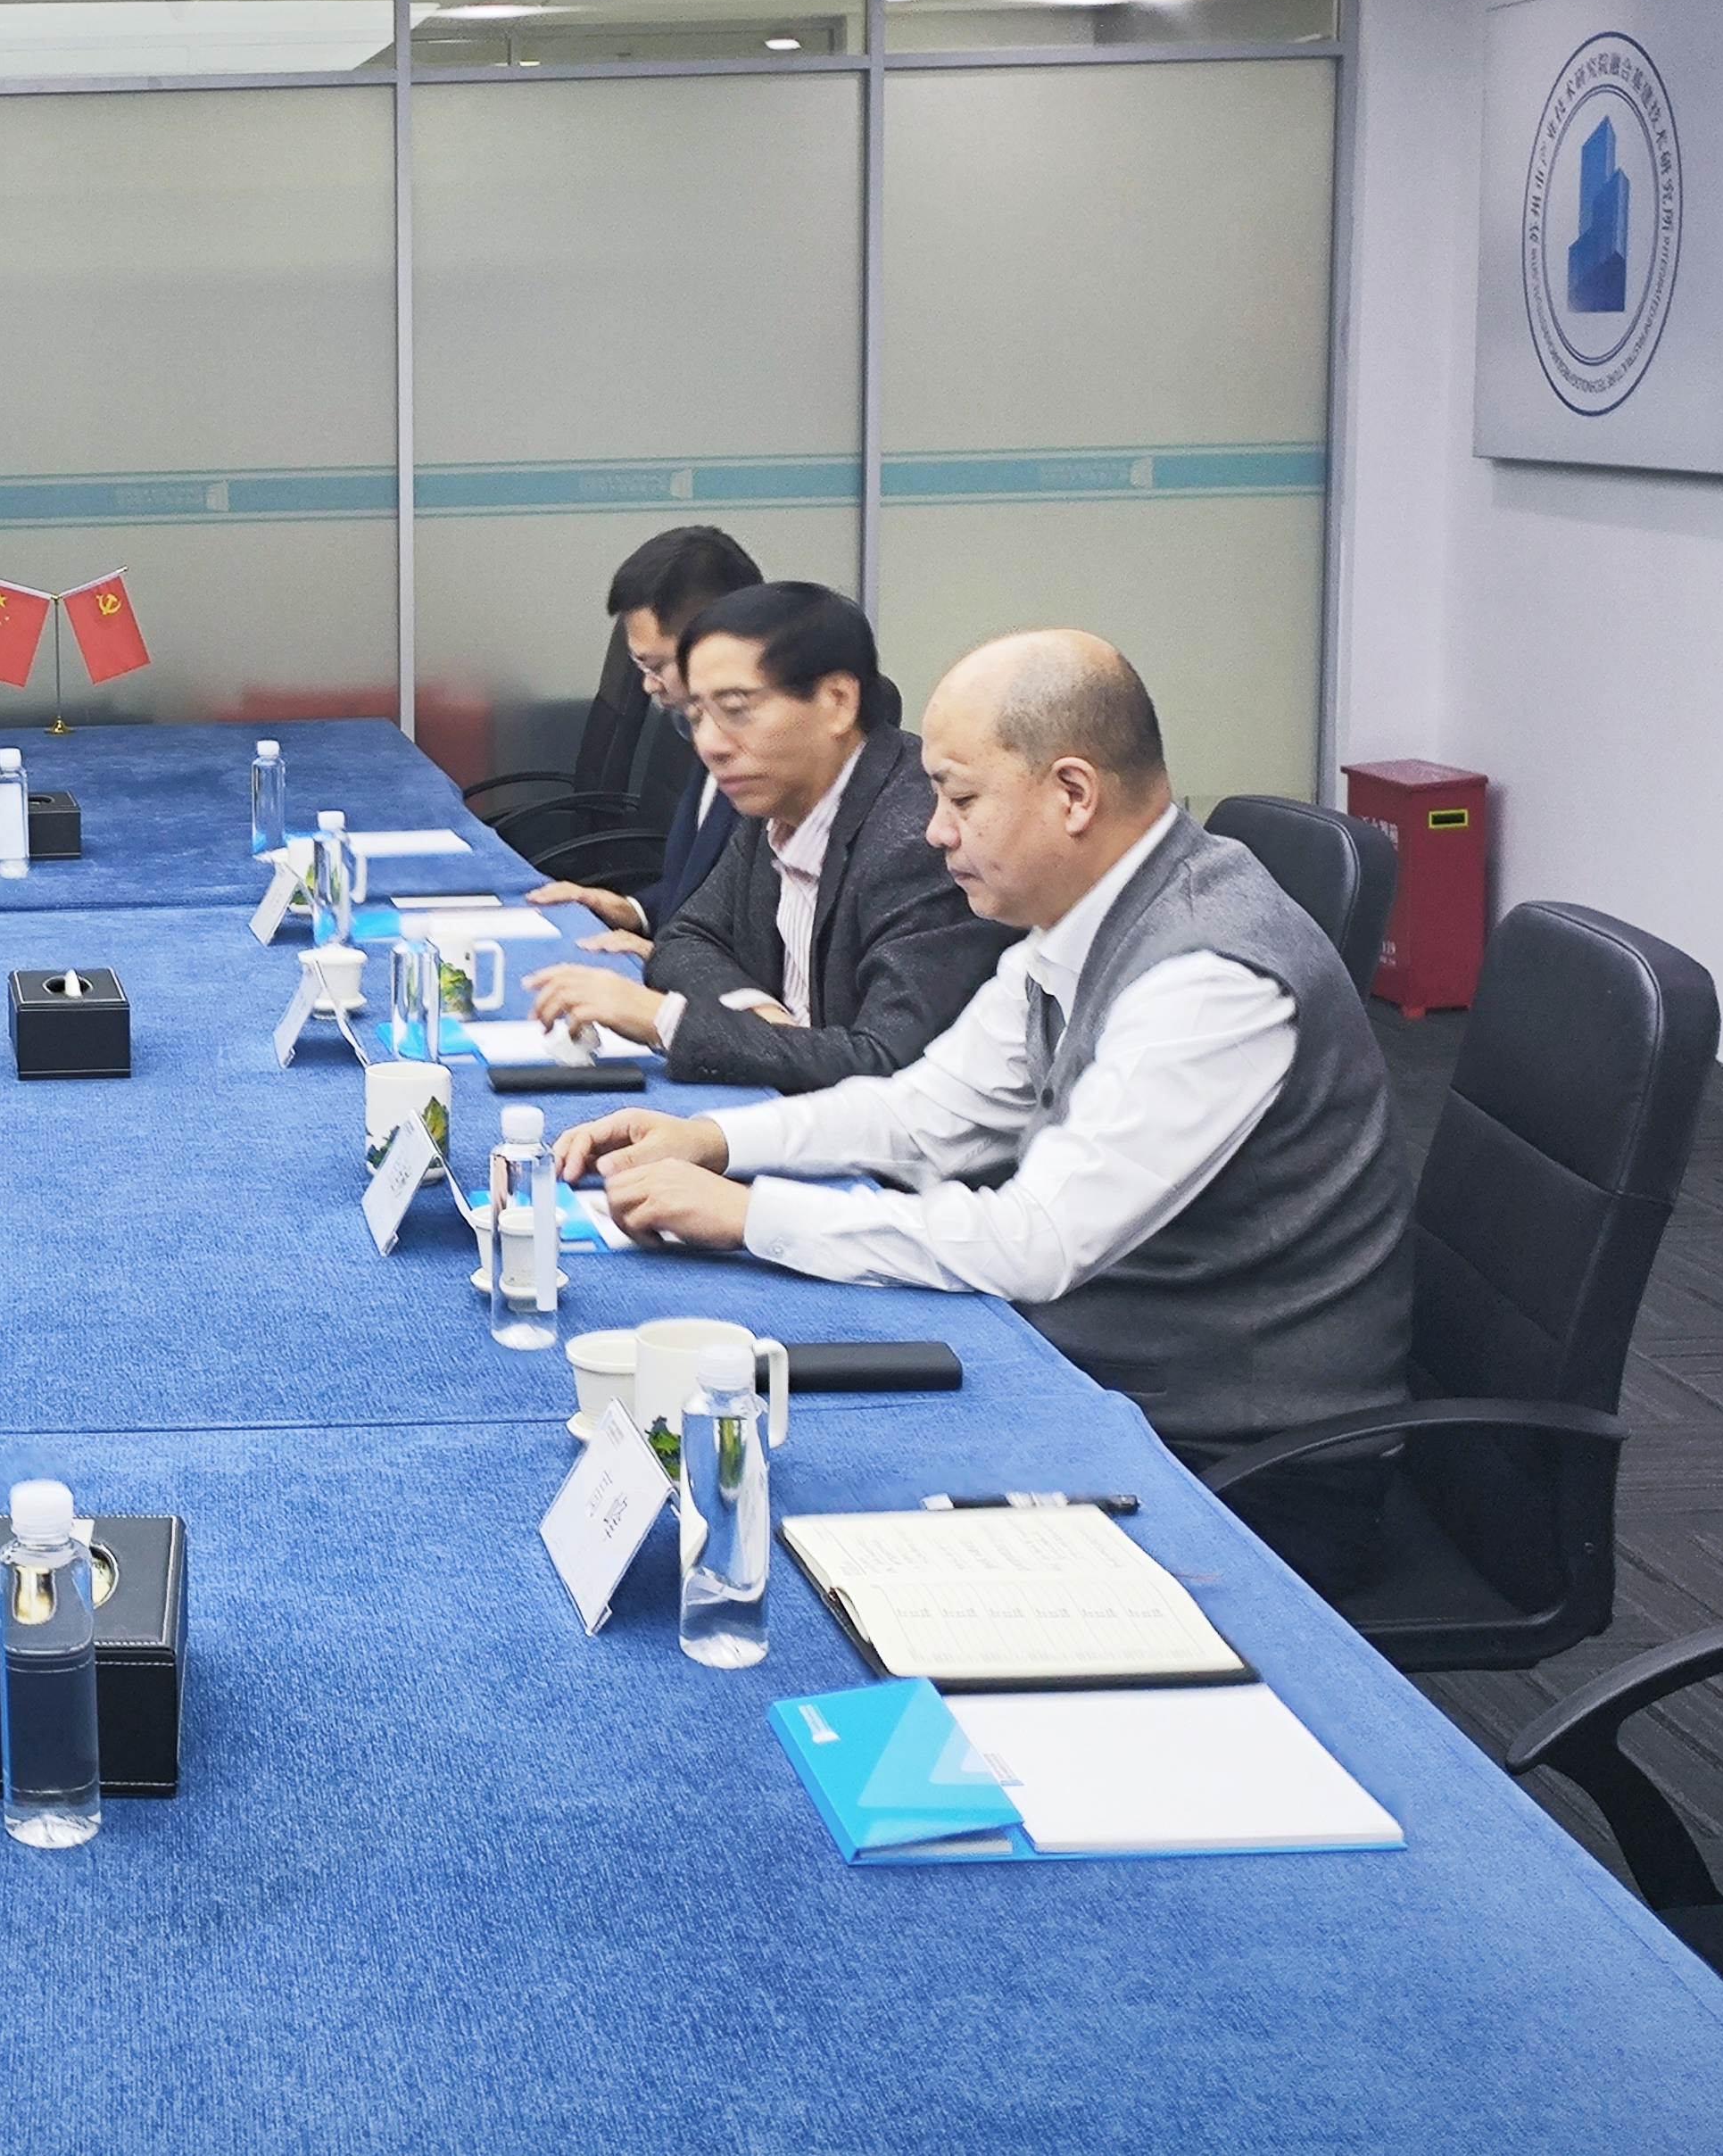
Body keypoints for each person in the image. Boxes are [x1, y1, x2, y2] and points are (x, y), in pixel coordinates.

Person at [556, 631, 1412, 1589]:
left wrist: (750, 1214)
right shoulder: (1077, 922)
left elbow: (1037, 1245)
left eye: (961, 799)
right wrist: (716, 1141)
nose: (934, 832)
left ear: (1073, 794)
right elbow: (923, 1113)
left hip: (1244, 1468)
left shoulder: (1208, 977)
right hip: (1105, 1375)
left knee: (798, 1532)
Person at [525, 583, 1006, 1092]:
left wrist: (667, 1021)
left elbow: (886, 1067)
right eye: (697, 716)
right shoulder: (778, 796)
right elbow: (684, 938)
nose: (710, 745)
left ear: (837, 702)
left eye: (736, 710)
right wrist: (759, 1020)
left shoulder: (921, 837)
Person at [525, 525, 760, 956]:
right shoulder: (701, 729)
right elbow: (698, 892)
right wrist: (632, 909)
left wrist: (663, 961)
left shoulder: (772, 770)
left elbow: (762, 952)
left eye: (656, 667)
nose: (648, 686)